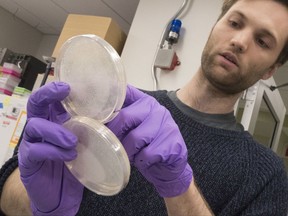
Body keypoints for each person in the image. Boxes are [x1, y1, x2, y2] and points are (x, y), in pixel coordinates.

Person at [1, 0, 288, 215]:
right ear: (215, 26)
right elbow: (6, 199)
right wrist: (37, 203)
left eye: (262, 41)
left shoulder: (267, 177)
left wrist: (180, 187)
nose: (239, 41)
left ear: (270, 69)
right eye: (235, 23)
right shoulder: (112, 107)